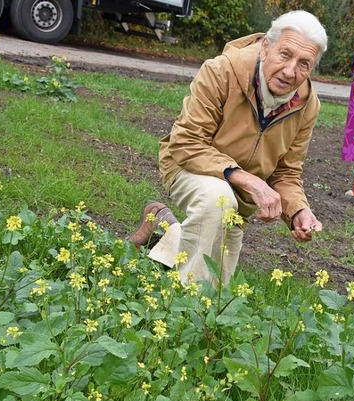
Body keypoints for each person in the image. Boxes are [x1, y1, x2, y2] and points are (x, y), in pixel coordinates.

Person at [129, 10, 328, 284]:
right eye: (285, 54)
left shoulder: (307, 105)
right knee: (216, 203)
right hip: (189, 165)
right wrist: (250, 181)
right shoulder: (222, 70)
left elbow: (286, 173)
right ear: (266, 47)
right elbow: (187, 141)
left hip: (239, 197)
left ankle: (163, 226)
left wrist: (298, 211)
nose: (291, 71)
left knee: (217, 283)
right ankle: (184, 309)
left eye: (304, 63)